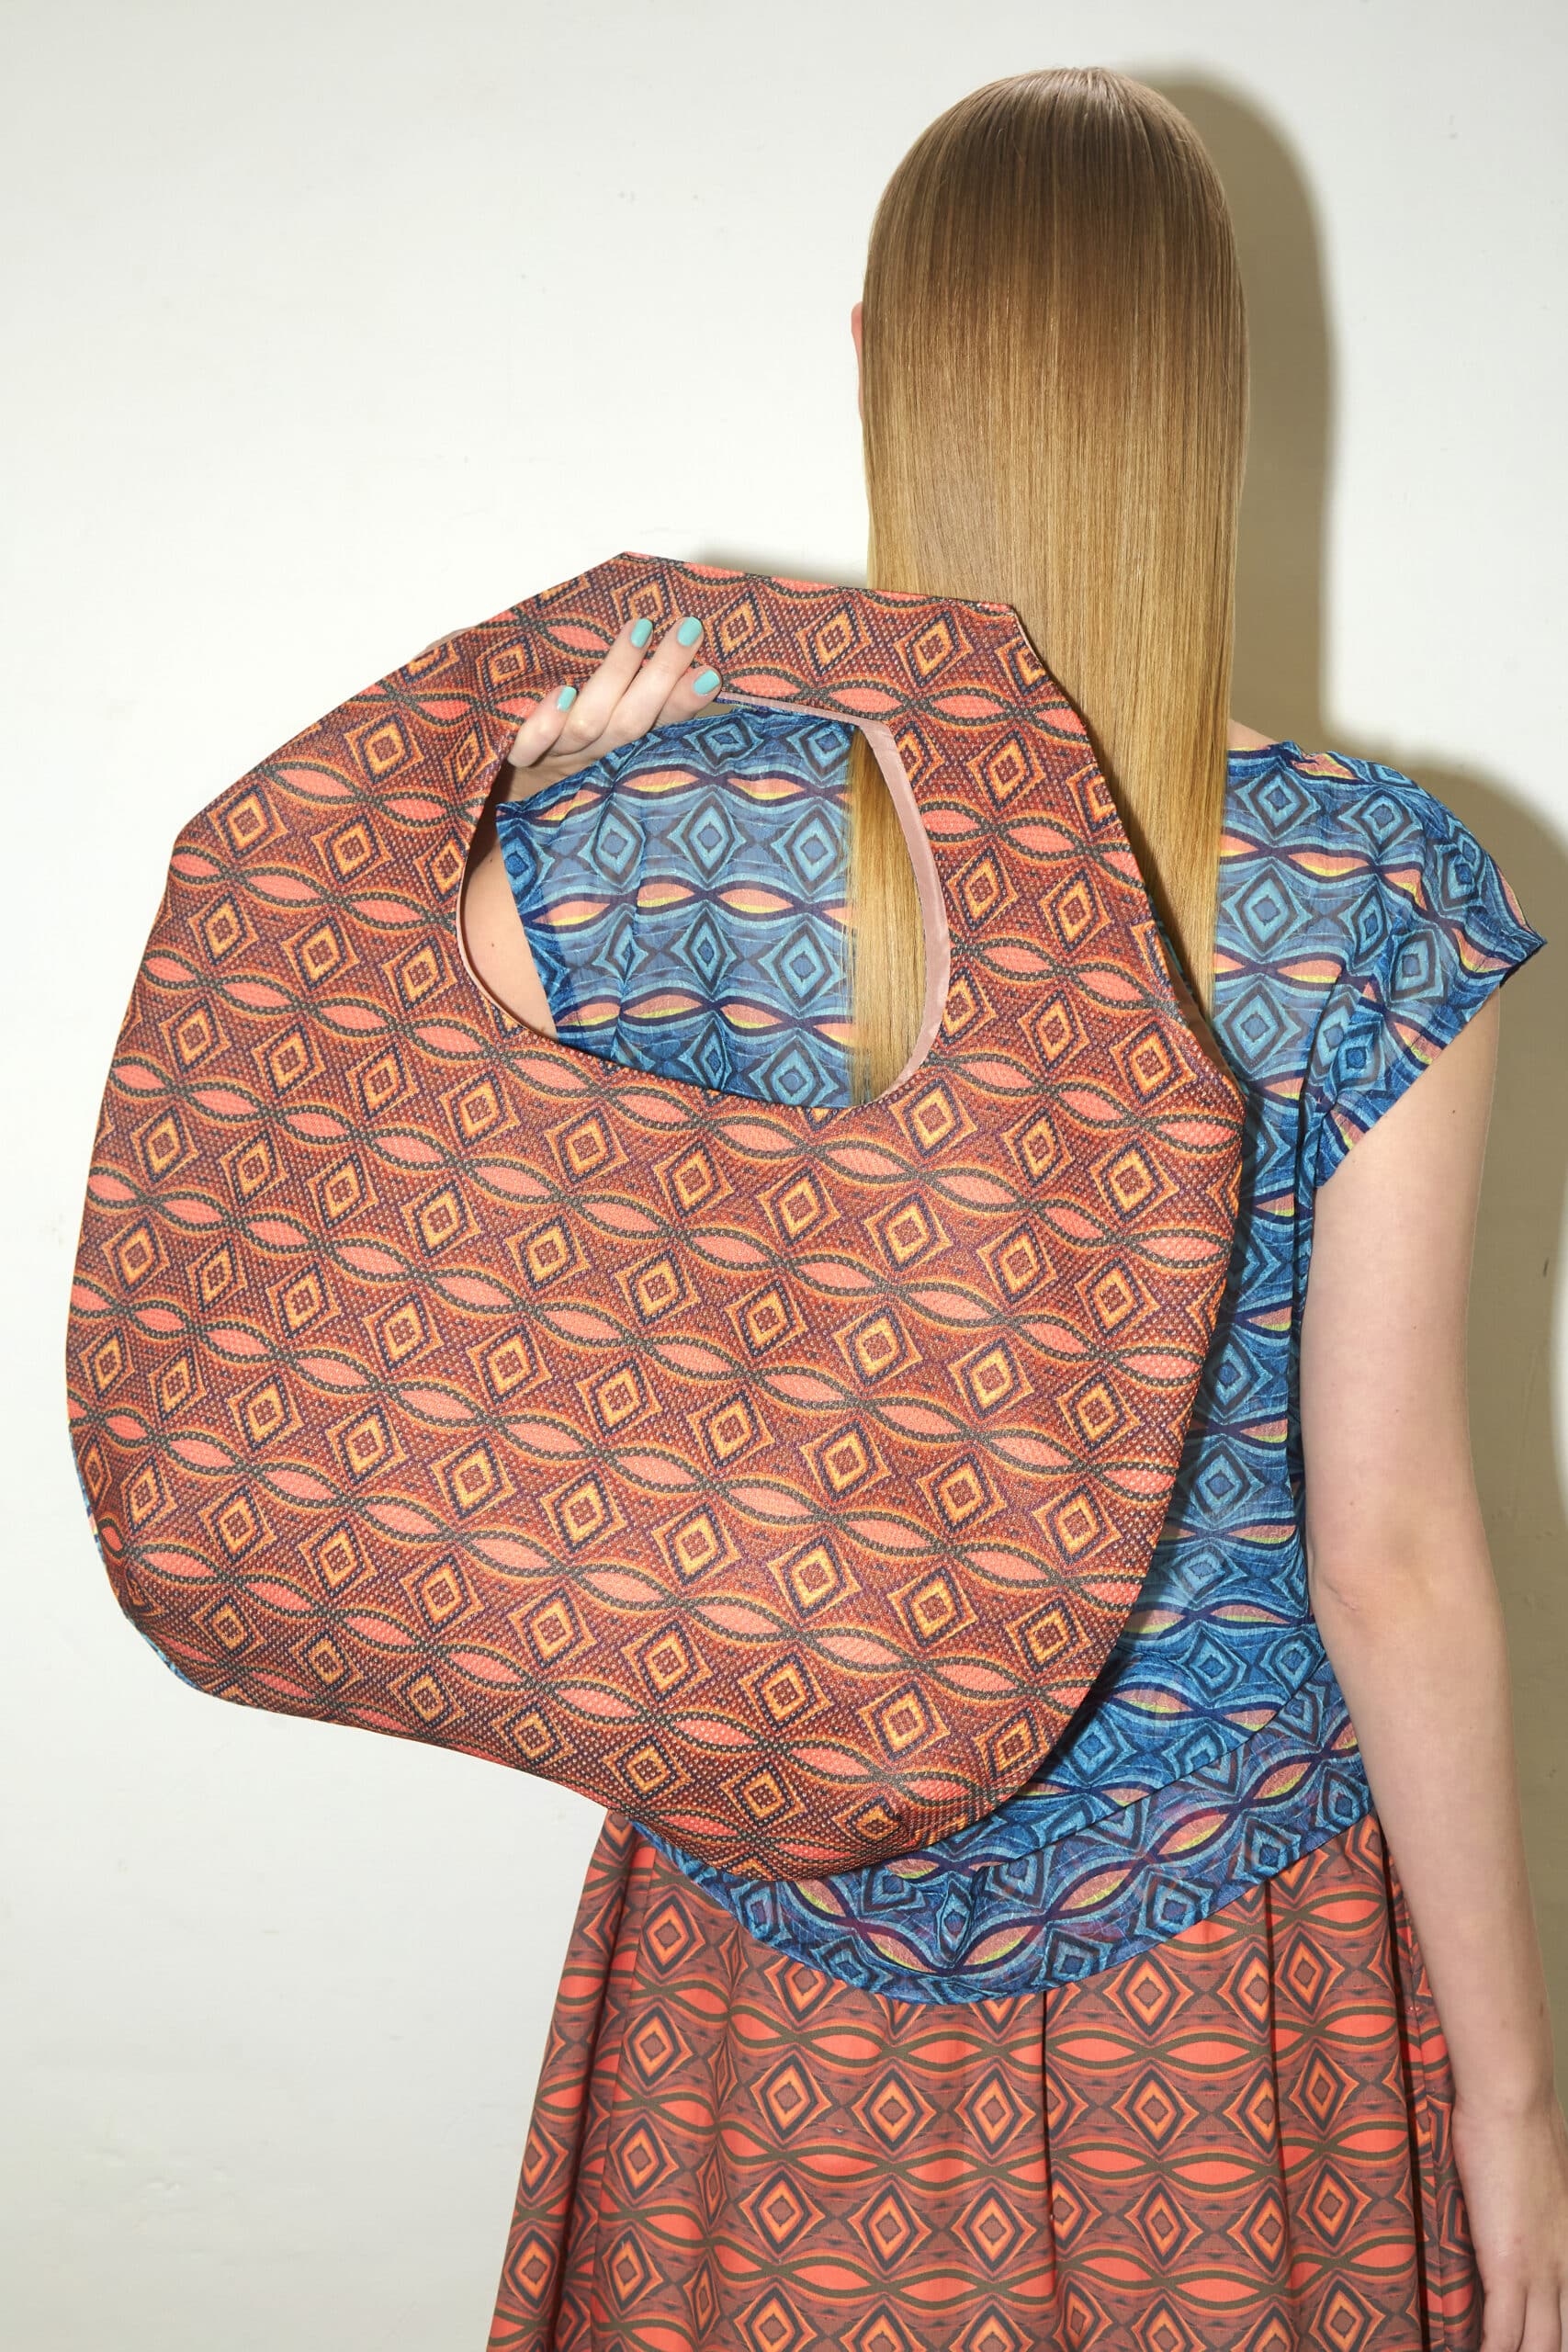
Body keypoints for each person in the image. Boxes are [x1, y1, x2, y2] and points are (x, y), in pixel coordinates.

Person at [459, 66, 1567, 2352]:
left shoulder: (635, 852)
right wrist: (1517, 2096)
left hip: (761, 1948)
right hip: (1228, 1968)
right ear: (1217, 387)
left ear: (878, 362)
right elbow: (1383, 1553)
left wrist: (481, 826)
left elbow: (373, 1266)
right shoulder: (1367, 893)